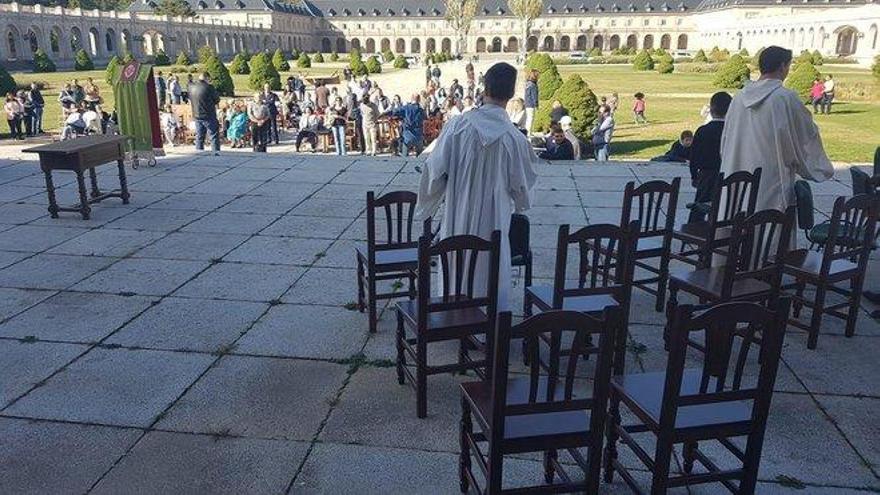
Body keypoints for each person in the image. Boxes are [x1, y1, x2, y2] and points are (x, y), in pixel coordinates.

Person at [416, 62, 538, 311]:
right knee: (489, 269)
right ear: (511, 93)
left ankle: (454, 317)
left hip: (457, 216)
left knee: (457, 266)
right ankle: (487, 320)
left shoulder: (456, 126)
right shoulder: (515, 139)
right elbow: (523, 193)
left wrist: (430, 200)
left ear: (485, 88)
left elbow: (434, 171)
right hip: (494, 221)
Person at [720, 46, 833, 239]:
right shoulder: (785, 98)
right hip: (771, 177)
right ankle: (763, 267)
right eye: (788, 66)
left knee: (735, 227)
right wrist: (820, 167)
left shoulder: (739, 98)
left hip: (736, 171)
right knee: (767, 237)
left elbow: (726, 137)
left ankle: (733, 264)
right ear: (782, 66)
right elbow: (807, 134)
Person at [688, 91, 731, 222]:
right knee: (723, 206)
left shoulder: (703, 131)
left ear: (711, 109)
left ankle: (693, 231)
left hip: (706, 176)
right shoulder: (732, 131)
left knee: (700, 207)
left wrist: (694, 175)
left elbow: (694, 156)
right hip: (727, 174)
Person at [189, 72, 221, 153]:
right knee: (213, 136)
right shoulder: (209, 87)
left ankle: (199, 153)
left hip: (196, 115)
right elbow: (217, 100)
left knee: (199, 136)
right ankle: (215, 153)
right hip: (208, 115)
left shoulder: (191, 86)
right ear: (207, 78)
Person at [523, 70, 538, 134]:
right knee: (530, 119)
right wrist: (536, 105)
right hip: (531, 104)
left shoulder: (528, 83)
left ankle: (528, 131)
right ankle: (528, 132)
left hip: (527, 102)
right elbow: (534, 96)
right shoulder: (533, 85)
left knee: (528, 118)